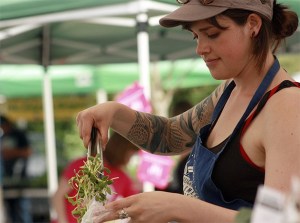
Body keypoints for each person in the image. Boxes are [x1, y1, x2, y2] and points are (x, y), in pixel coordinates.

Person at [76, 0, 300, 222]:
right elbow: (170, 135)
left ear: (252, 24)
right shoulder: (229, 91)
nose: (200, 48)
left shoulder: (287, 105)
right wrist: (114, 112)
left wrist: (177, 206)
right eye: (196, 36)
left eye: (212, 34)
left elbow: (280, 220)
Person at [51, 131, 140, 223]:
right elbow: (58, 196)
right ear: (121, 149)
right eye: (131, 153)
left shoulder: (123, 176)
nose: (130, 158)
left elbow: (134, 207)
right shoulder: (82, 165)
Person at [0, 114, 33, 223]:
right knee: (10, 212)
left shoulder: (18, 135)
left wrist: (10, 153)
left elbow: (28, 152)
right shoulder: (3, 137)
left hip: (20, 179)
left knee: (22, 210)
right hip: (6, 180)